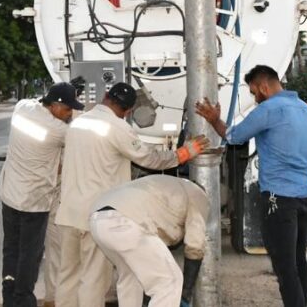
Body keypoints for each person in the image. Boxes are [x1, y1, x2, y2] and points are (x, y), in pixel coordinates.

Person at [54, 82, 209, 307]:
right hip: (95, 211)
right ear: (128, 111)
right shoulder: (117, 127)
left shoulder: (78, 122)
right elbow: (150, 160)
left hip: (67, 211)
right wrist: (184, 153)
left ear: (106, 95)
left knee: (67, 276)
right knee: (93, 280)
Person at [195, 65, 307, 307]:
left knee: (285, 268)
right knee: (298, 261)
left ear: (263, 87)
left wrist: (213, 119)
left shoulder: (270, 109)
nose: (255, 97)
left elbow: (234, 137)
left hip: (278, 199)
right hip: (305, 198)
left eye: (254, 92)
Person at [0, 82, 82, 307]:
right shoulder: (59, 131)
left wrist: (67, 89)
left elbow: (34, 103)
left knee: (11, 248)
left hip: (10, 194)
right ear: (54, 106)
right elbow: (80, 136)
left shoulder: (22, 108)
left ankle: (9, 295)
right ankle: (23, 298)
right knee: (30, 254)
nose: (70, 113)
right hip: (34, 201)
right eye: (67, 108)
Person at [88, 175, 209, 307]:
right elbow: (195, 246)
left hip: (98, 220)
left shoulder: (169, 184)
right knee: (169, 281)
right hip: (128, 220)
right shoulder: (198, 194)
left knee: (132, 278)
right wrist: (186, 292)